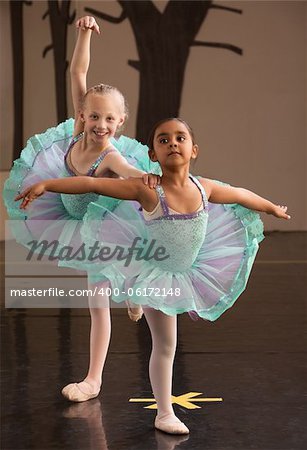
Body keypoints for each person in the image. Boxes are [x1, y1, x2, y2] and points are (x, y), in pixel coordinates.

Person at [16, 117, 291, 434]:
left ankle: (134, 294)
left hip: (186, 267)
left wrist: (271, 207)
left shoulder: (206, 188)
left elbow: (241, 194)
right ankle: (164, 413)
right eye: (163, 140)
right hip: (157, 274)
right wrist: (47, 184)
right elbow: (94, 184)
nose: (173, 143)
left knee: (166, 342)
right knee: (165, 345)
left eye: (180, 137)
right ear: (152, 155)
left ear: (194, 149)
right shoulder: (148, 190)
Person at [4, 16, 161, 405]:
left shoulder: (110, 152)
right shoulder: (77, 131)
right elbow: (78, 70)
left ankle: (93, 380)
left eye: (110, 118)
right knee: (104, 290)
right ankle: (131, 284)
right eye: (94, 116)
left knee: (97, 305)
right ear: (82, 115)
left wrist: (148, 177)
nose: (100, 124)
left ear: (120, 122)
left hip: (105, 223)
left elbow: (128, 172)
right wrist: (84, 32)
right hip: (71, 212)